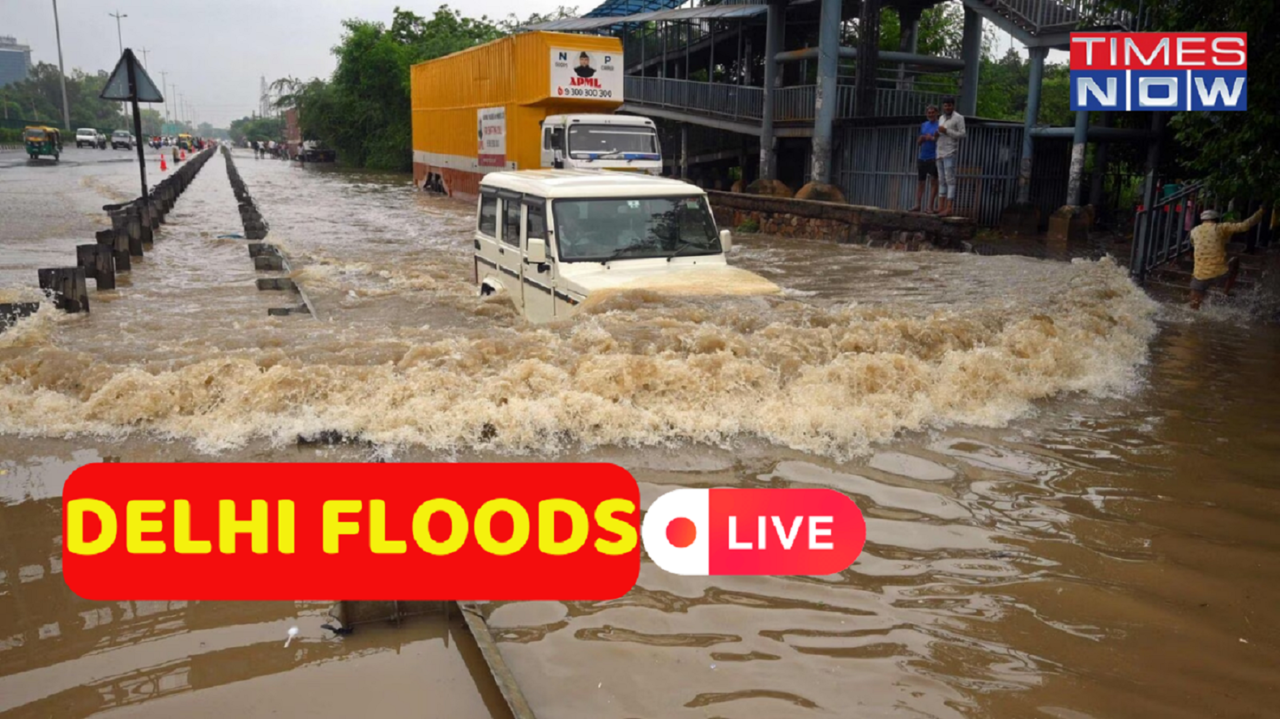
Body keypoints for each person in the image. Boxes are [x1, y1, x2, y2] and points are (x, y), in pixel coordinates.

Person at [1188, 206, 1266, 310]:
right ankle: (1225, 291)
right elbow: (1244, 225)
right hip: (1220, 272)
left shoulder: (1193, 231)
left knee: (1193, 306)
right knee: (1235, 261)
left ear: (1202, 220)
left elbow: (1194, 245)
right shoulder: (1221, 227)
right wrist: (1261, 212)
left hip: (1199, 274)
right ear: (1216, 219)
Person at [935, 96, 966, 217]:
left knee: (950, 179)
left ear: (953, 106)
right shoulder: (941, 118)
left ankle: (949, 208)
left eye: (949, 105)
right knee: (941, 179)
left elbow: (962, 134)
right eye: (945, 105)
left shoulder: (959, 118)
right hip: (940, 151)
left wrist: (946, 131)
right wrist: (937, 133)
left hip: (950, 152)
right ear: (943, 106)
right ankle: (940, 207)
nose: (947, 107)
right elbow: (940, 132)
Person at [912, 105, 940, 213]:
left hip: (934, 156)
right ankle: (918, 205)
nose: (931, 114)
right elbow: (918, 142)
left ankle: (930, 207)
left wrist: (932, 138)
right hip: (922, 156)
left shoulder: (939, 125)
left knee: (934, 181)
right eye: (929, 112)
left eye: (933, 112)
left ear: (937, 113)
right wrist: (921, 139)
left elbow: (941, 140)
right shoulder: (924, 125)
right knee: (920, 182)